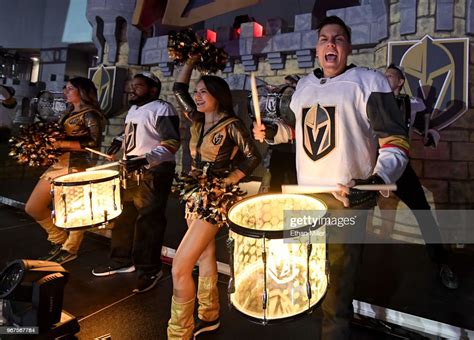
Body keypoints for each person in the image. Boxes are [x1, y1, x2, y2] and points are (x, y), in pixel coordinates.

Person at [254, 16, 409, 339]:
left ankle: (334, 333)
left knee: (339, 277)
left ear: (348, 47)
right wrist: (272, 131)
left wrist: (374, 182)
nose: (330, 44)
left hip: (345, 200)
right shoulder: (304, 87)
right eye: (324, 38)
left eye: (338, 39)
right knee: (306, 270)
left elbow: (395, 142)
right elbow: (299, 132)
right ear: (316, 47)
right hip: (305, 199)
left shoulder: (370, 82)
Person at [168, 57, 261, 339]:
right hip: (194, 193)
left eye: (203, 92)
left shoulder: (232, 124)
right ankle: (209, 316)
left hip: (215, 200)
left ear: (217, 97)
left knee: (179, 267)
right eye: (196, 92)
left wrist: (228, 180)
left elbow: (252, 156)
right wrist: (191, 61)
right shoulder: (197, 120)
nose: (196, 96)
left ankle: (179, 333)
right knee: (205, 254)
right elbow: (178, 91)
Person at [92, 72, 180, 294]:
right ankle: (121, 259)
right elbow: (133, 131)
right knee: (124, 215)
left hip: (153, 172)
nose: (132, 89)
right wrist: (118, 140)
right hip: (131, 169)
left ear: (153, 89)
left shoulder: (162, 108)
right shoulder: (135, 109)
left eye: (138, 86)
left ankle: (149, 269)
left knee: (149, 221)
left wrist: (146, 159)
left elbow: (171, 141)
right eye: (132, 85)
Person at [384, 64, 458, 289]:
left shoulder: (410, 105)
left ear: (399, 83)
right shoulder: (369, 101)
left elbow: (423, 131)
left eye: (389, 77)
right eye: (382, 76)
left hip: (398, 167)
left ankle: (441, 262)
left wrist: (430, 136)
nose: (384, 80)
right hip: (371, 168)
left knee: (423, 212)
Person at [25, 77, 105, 264]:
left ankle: (70, 248)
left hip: (76, 166)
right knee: (33, 207)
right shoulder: (69, 112)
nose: (65, 92)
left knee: (75, 211)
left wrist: (62, 143)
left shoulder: (91, 114)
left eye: (70, 89)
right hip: (58, 164)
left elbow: (94, 142)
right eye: (65, 88)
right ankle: (59, 239)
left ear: (82, 92)